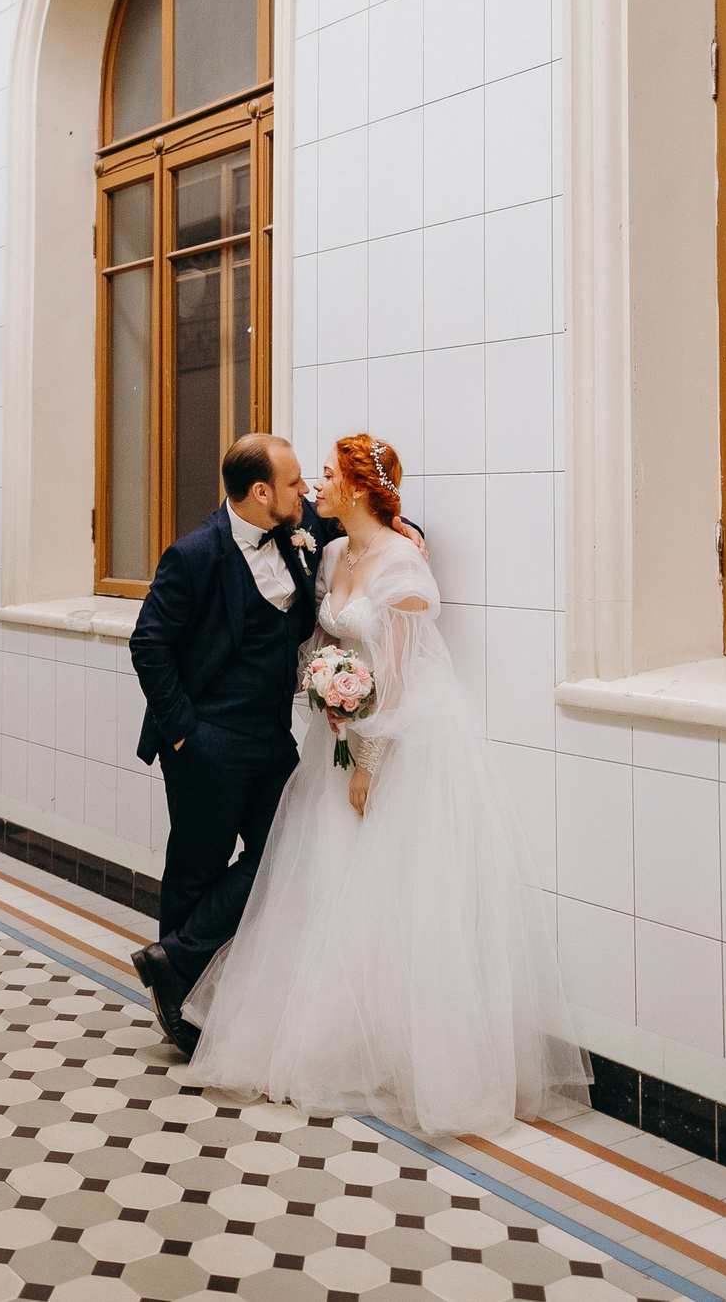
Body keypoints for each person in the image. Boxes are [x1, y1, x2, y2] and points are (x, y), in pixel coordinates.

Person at [175, 433, 590, 1137]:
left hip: (397, 739)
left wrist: (368, 755)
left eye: (329, 475)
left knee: (394, 891)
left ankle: (406, 1051)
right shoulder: (333, 553)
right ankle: (327, 1032)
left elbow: (394, 674)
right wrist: (326, 694)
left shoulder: (402, 564)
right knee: (323, 886)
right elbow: (325, 641)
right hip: (335, 730)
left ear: (361, 488)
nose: (315, 488)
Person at [127, 433, 418, 1057]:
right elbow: (147, 644)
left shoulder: (295, 523)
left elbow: (367, 515)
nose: (306, 492)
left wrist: (407, 528)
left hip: (274, 739)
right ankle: (176, 1008)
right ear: (261, 494)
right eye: (292, 484)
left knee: (285, 857)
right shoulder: (195, 554)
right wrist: (183, 732)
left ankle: (172, 960)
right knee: (196, 868)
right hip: (205, 741)